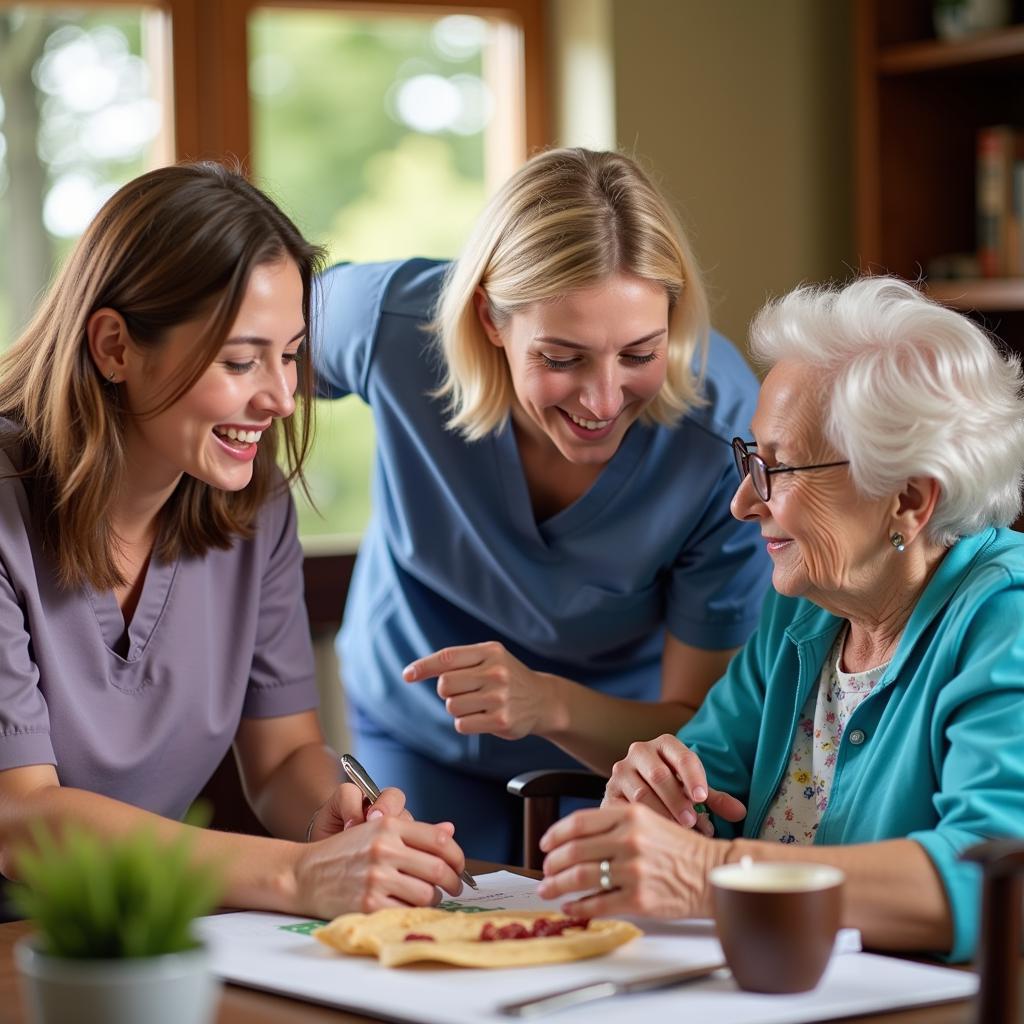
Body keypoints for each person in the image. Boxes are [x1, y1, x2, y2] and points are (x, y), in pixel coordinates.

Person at [0, 163, 466, 918]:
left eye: (290, 355)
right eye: (241, 360)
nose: (281, 397)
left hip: (134, 938)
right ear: (114, 346)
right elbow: (21, 821)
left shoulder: (253, 507)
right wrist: (296, 877)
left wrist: (333, 821)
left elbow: (282, 759)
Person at [536, 275, 1024, 962]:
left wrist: (708, 875)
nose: (742, 502)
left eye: (780, 468)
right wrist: (660, 795)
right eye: (749, 458)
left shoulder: (1007, 624)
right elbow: (706, 778)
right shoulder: (806, 610)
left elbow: (994, 878)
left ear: (908, 499)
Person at [315, 148, 772, 862]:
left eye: (640, 353)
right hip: (409, 732)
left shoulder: (723, 440)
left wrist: (547, 703)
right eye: (562, 358)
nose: (602, 400)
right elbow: (239, 343)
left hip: (612, 758)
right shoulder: (392, 324)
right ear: (489, 319)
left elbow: (696, 723)